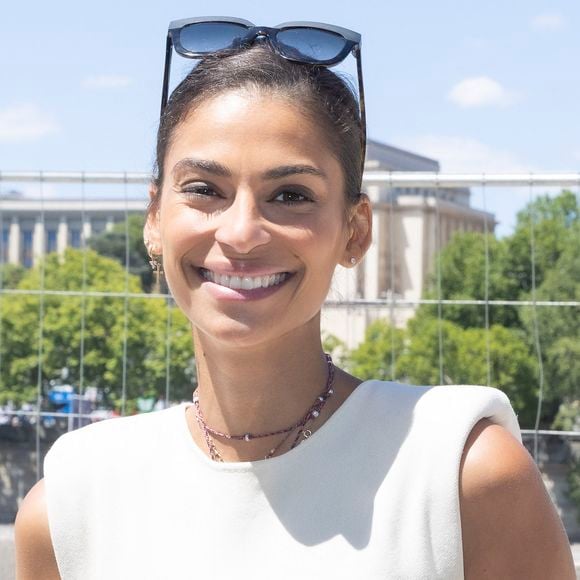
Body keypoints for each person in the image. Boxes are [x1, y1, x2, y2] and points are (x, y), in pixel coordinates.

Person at [15, 18, 575, 580]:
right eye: (205, 189)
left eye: (290, 195)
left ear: (355, 231)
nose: (240, 232)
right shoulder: (70, 506)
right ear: (154, 219)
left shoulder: (463, 475)